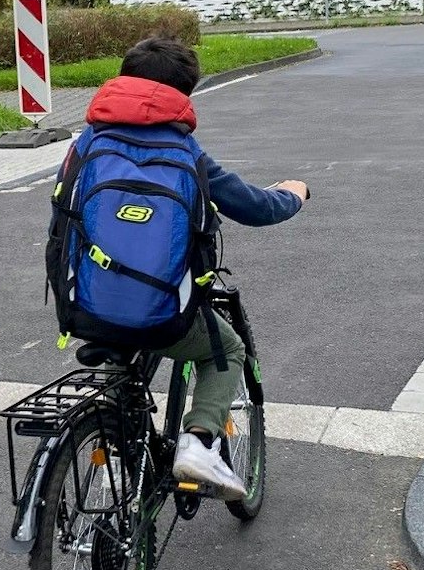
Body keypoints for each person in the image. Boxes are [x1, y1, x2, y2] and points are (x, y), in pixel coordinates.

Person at [76, 37, 307, 498]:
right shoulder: (185, 154)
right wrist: (293, 194)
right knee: (226, 349)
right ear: (184, 94)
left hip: (85, 304)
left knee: (120, 332)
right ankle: (199, 442)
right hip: (162, 312)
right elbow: (255, 206)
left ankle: (111, 449)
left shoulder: (85, 145)